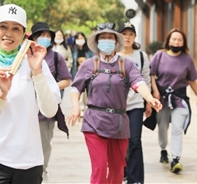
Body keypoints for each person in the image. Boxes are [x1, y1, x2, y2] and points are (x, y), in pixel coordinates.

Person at [0, 4, 61, 184]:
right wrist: (2, 95)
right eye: (3, 27)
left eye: (16, 28)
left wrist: (37, 71)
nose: (9, 33)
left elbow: (49, 111)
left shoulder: (36, 65)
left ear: (24, 34)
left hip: (29, 164)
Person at [66, 22, 162, 184]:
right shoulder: (89, 64)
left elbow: (138, 82)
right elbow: (76, 88)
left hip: (118, 123)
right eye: (103, 37)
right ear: (97, 42)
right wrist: (76, 107)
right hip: (94, 122)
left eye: (110, 37)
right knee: (100, 168)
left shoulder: (127, 64)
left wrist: (149, 97)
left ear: (116, 42)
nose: (107, 41)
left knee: (117, 170)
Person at [149, 28, 197, 174]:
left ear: (183, 42)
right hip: (162, 99)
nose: (176, 42)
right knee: (162, 127)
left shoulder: (187, 59)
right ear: (168, 40)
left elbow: (192, 79)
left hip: (179, 98)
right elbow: (151, 74)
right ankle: (163, 149)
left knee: (178, 129)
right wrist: (155, 91)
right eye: (173, 39)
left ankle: (176, 159)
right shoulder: (160, 55)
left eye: (179, 39)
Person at [29, 22, 72, 181]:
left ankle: (42, 171)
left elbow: (67, 80)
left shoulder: (55, 56)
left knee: (44, 144)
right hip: (26, 108)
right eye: (42, 35)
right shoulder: (25, 55)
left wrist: (46, 88)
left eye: (48, 36)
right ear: (34, 38)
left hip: (45, 111)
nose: (45, 38)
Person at [118, 22, 151, 184]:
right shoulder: (113, 55)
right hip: (116, 107)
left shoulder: (141, 56)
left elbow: (146, 78)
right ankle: (121, 171)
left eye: (130, 34)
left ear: (135, 37)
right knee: (119, 141)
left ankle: (136, 179)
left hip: (136, 105)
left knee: (135, 141)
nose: (127, 37)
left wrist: (149, 101)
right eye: (124, 34)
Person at [71, 32, 94, 116]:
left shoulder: (89, 50)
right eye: (78, 39)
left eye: (81, 38)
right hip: (77, 72)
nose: (80, 40)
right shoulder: (73, 50)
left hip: (88, 73)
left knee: (86, 92)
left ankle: (85, 107)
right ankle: (80, 107)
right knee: (78, 90)